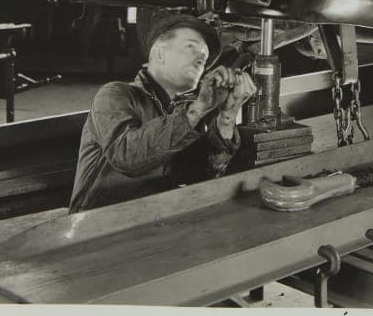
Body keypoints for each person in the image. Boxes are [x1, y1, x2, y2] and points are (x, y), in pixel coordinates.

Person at [69, 14, 256, 213]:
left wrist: (227, 116)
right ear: (159, 53)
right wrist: (197, 110)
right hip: (93, 226)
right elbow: (127, 157)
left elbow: (199, 176)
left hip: (151, 221)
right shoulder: (115, 94)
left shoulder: (184, 110)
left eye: (204, 55)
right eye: (191, 46)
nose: (202, 56)